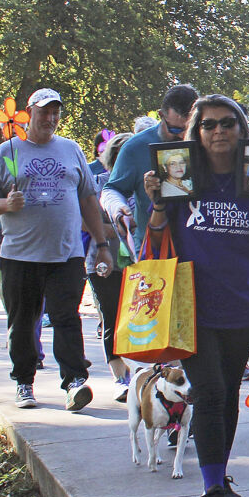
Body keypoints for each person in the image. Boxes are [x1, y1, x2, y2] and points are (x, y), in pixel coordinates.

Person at [142, 95, 249, 497]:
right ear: (197, 132)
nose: (219, 132)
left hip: (243, 304)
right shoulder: (181, 176)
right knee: (206, 393)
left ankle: (221, 478)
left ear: (242, 129)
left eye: (227, 124)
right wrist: (155, 202)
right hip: (191, 306)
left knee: (226, 396)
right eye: (209, 125)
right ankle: (211, 492)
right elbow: (154, 235)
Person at [0, 88, 116, 412]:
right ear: (29, 113)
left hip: (65, 254)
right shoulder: (9, 152)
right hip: (20, 256)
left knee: (67, 318)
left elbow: (88, 200)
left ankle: (74, 383)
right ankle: (24, 382)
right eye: (44, 112)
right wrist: (5, 203)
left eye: (56, 112)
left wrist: (101, 244)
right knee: (23, 322)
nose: (50, 118)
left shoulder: (70, 150)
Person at [103, 83, 198, 256]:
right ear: (161, 115)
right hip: (152, 251)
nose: (182, 136)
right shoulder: (136, 147)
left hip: (197, 248)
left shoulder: (206, 143)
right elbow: (112, 189)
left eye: (189, 129)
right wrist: (118, 209)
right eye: (175, 129)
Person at [90, 132, 135, 399]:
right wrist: (119, 230)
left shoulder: (146, 182)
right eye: (119, 155)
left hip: (139, 262)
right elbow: (88, 221)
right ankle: (120, 377)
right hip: (103, 259)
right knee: (112, 317)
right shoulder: (99, 183)